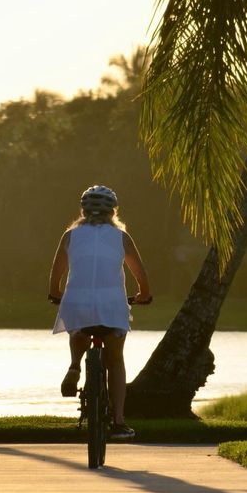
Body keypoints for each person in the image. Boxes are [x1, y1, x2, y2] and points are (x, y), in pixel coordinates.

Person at [48, 185, 151, 440]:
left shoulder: (70, 236)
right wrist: (143, 295)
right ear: (113, 211)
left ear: (83, 210)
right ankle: (118, 422)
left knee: (79, 328)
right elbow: (140, 273)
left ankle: (74, 366)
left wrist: (55, 293)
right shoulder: (121, 237)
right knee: (115, 361)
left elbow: (56, 273)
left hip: (77, 302)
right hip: (112, 304)